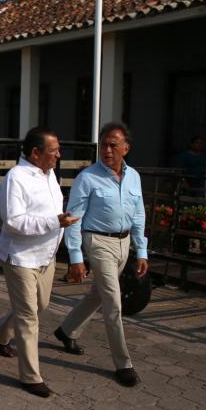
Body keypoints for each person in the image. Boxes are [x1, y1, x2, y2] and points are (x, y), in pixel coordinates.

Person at [54, 122, 148, 388]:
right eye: (104, 144)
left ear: (126, 149)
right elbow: (73, 218)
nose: (107, 150)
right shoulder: (88, 177)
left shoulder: (134, 177)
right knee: (113, 304)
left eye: (113, 145)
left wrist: (141, 250)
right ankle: (123, 364)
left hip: (123, 243)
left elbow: (138, 214)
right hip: (97, 242)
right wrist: (75, 258)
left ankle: (67, 330)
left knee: (98, 294)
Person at [0, 127, 80, 398]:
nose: (59, 156)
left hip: (46, 257)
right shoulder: (15, 179)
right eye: (54, 151)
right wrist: (55, 221)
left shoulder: (49, 174)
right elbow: (14, 222)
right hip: (20, 258)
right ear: (36, 153)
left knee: (39, 305)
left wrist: (62, 222)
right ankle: (30, 377)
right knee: (29, 316)